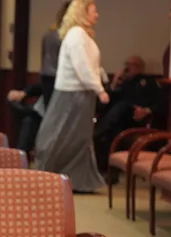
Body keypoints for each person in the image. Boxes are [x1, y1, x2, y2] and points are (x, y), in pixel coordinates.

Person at [34, 0, 108, 193]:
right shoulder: (76, 35)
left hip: (81, 93)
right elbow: (82, 67)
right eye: (94, 10)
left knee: (79, 139)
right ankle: (45, 176)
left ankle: (77, 180)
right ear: (82, 12)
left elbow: (92, 65)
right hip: (72, 94)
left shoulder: (83, 35)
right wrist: (99, 89)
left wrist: (101, 79)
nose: (97, 14)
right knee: (61, 136)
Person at [6, 1, 70, 153]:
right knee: (30, 119)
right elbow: (47, 79)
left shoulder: (70, 42)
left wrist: (27, 92)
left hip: (64, 104)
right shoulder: (53, 37)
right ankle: (20, 167)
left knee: (31, 118)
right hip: (48, 99)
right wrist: (25, 92)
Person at [93, 56, 164, 174]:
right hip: (116, 119)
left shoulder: (149, 82)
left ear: (141, 68)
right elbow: (101, 105)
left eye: (133, 64)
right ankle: (108, 170)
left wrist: (146, 111)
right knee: (113, 128)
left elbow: (162, 103)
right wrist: (114, 85)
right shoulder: (121, 83)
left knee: (122, 107)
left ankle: (97, 135)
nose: (128, 67)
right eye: (127, 64)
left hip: (136, 117)